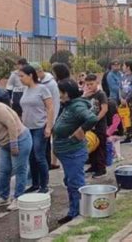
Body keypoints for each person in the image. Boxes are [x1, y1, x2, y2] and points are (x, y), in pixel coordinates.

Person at [53, 79, 98, 224]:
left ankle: (77, 214)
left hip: (73, 152)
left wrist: (80, 130)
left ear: (66, 93)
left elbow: (91, 118)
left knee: (75, 183)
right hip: (66, 153)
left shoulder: (76, 106)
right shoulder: (70, 105)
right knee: (70, 181)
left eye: (60, 92)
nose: (58, 95)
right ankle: (75, 210)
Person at [19, 65, 54, 194]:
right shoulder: (26, 90)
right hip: (27, 128)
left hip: (40, 127)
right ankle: (35, 184)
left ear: (30, 75)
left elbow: (50, 108)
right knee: (31, 157)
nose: (20, 79)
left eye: (22, 76)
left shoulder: (42, 89)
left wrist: (48, 126)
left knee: (39, 156)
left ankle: (44, 186)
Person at [31, 62, 61, 170]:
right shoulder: (37, 83)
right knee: (46, 143)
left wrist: (52, 121)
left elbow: (54, 103)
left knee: (49, 142)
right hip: (41, 118)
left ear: (40, 71)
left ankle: (50, 163)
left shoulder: (51, 84)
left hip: (50, 117)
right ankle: (48, 164)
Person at [84, 74, 109, 178]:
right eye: (87, 84)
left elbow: (104, 109)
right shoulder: (87, 95)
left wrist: (96, 119)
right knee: (91, 146)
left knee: (100, 147)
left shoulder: (101, 94)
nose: (89, 86)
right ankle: (93, 166)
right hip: (89, 126)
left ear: (97, 83)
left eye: (91, 84)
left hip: (99, 125)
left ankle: (101, 168)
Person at [120, 61, 132, 147]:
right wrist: (121, 98)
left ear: (128, 67)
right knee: (125, 119)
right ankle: (127, 136)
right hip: (123, 101)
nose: (122, 67)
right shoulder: (123, 76)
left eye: (123, 65)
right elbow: (120, 88)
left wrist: (126, 98)